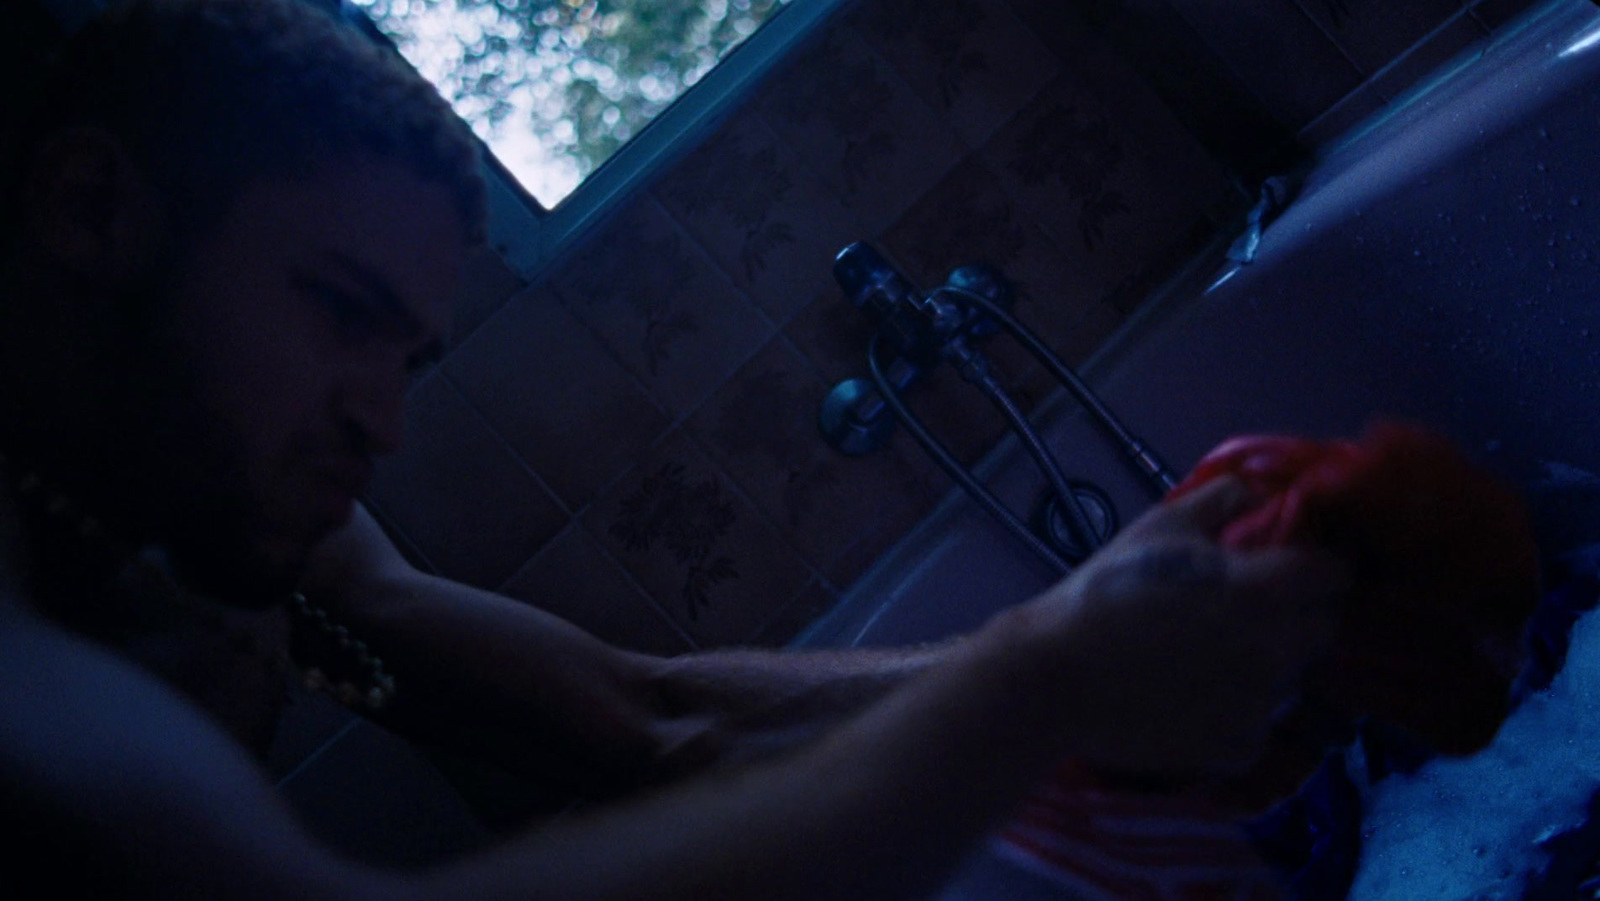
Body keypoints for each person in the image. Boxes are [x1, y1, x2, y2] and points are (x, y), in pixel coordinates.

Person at [0, 0, 1347, 897]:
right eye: (340, 311)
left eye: (405, 357)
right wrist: (1050, 682)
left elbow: (651, 721)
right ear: (90, 208)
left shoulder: (268, 528)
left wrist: (1079, 640)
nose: (382, 419)